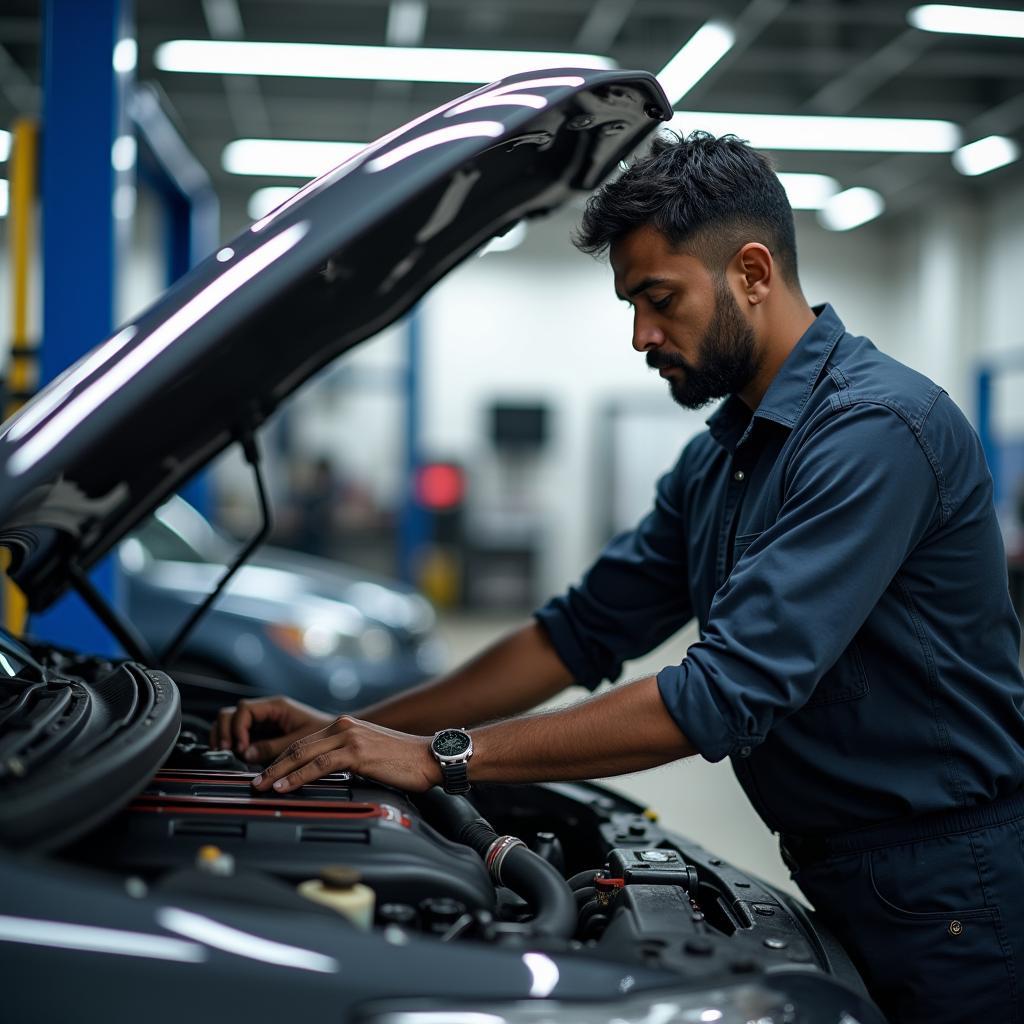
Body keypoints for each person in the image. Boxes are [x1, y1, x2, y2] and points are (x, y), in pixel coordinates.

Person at [211, 132, 1024, 1023]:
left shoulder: (877, 433)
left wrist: (440, 759)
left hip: (955, 891)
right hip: (851, 867)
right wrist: (361, 731)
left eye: (659, 298)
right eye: (632, 303)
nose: (642, 335)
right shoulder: (722, 463)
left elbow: (721, 695)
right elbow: (577, 633)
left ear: (752, 272)